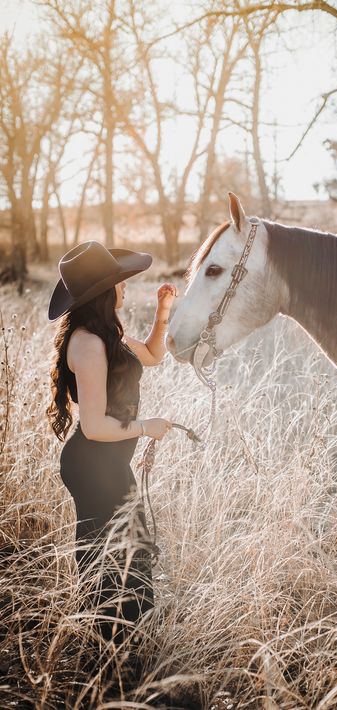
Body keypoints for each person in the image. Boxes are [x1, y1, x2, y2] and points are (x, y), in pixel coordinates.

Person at [46, 240, 177, 658]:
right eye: (120, 283)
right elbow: (95, 425)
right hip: (93, 462)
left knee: (125, 549)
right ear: (104, 292)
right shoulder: (87, 344)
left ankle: (120, 643)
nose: (125, 289)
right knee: (110, 554)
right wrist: (146, 427)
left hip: (108, 460)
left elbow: (154, 355)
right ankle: (107, 648)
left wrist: (162, 315)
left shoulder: (108, 335)